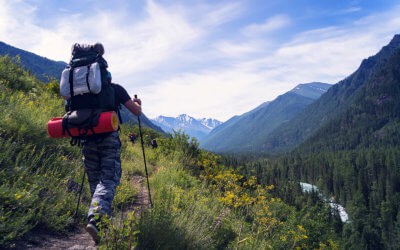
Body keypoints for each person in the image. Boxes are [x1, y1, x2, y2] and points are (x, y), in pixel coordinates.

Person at [83, 71, 141, 243]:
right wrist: (138, 103)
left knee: (95, 181)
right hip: (108, 139)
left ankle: (99, 226)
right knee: (108, 179)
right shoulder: (115, 89)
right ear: (108, 77)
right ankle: (97, 218)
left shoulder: (81, 92)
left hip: (86, 139)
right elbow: (136, 112)